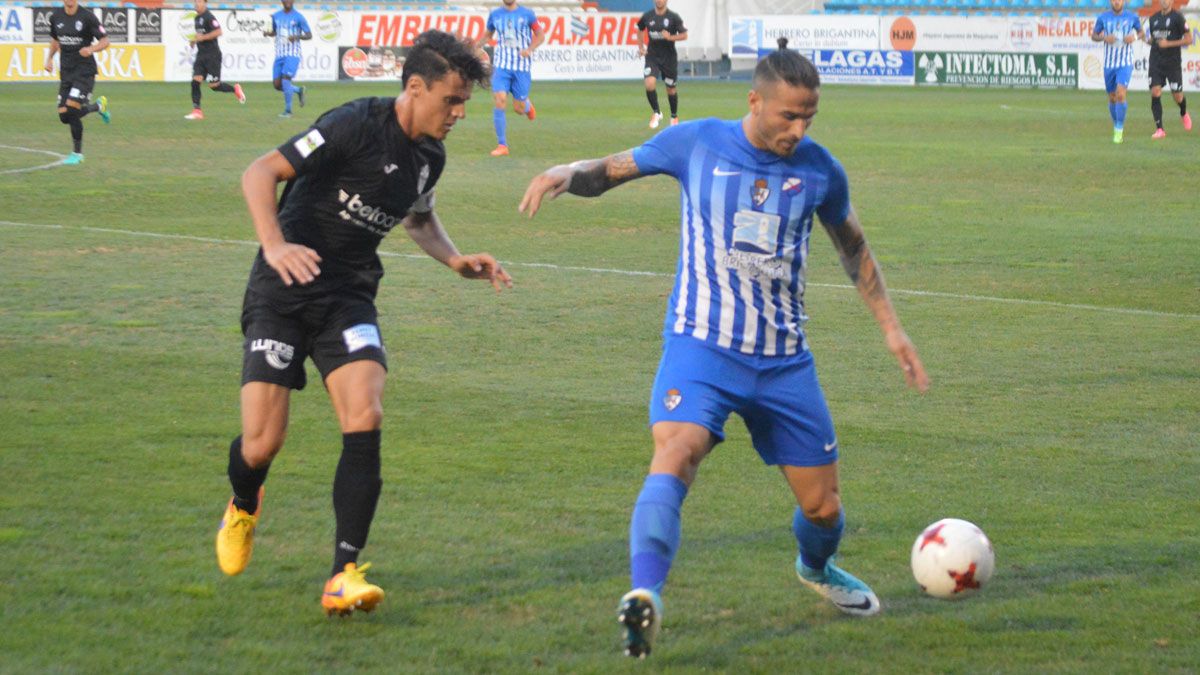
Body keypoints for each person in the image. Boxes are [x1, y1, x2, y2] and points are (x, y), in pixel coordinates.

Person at [520, 37, 929, 658]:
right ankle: (645, 596)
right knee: (676, 452)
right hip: (702, 348)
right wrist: (564, 172)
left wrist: (891, 327)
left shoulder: (820, 169)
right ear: (755, 100)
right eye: (789, 115)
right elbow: (613, 170)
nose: (799, 128)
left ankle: (816, 569)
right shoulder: (699, 142)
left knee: (824, 509)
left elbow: (853, 248)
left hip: (784, 361)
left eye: (809, 117)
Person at [214, 29, 511, 617]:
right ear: (414, 87)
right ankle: (244, 502)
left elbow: (418, 219)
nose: (457, 114)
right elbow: (259, 172)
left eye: (464, 105)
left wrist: (454, 259)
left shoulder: (430, 157)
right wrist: (274, 246)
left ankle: (341, 575)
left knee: (365, 412)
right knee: (262, 442)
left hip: (348, 298)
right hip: (284, 291)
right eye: (450, 101)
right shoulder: (354, 123)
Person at [42, 0, 111, 165]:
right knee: (64, 116)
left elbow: (105, 41)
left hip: (84, 72)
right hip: (66, 72)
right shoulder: (56, 17)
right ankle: (98, 107)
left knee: (72, 110)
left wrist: (91, 49)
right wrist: (49, 58)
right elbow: (55, 40)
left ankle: (77, 154)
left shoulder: (87, 17)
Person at [475, 0, 544, 156]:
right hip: (501, 66)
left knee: (518, 108)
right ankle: (502, 145)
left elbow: (540, 35)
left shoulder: (527, 14)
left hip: (522, 67)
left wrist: (530, 49)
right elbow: (488, 34)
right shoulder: (495, 14)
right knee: (499, 99)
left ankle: (526, 106)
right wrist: (476, 46)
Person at [1091, 0, 1144, 144]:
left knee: (1121, 94)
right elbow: (1094, 36)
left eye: (1119, 0)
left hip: (1125, 63)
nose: (1116, 2)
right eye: (1114, 0)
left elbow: (1141, 32)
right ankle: (1116, 123)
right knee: (1112, 97)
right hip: (1109, 64)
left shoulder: (1132, 17)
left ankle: (1119, 130)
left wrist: (1133, 37)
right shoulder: (1103, 17)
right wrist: (1103, 37)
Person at [185, 0, 246, 120]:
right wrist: (194, 40)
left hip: (213, 56)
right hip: (201, 55)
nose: (196, 4)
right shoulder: (197, 18)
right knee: (195, 82)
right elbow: (199, 35)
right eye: (195, 1)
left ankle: (235, 89)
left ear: (205, 3)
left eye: (199, 1)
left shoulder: (209, 17)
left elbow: (219, 31)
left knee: (214, 86)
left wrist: (203, 38)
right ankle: (197, 111)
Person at [1145, 0, 1192, 139]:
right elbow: (1154, 40)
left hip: (1172, 63)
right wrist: (1144, 39)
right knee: (1155, 91)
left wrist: (1169, 44)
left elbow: (1189, 39)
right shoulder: (1153, 19)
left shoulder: (1178, 18)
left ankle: (1183, 112)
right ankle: (1160, 129)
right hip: (1156, 62)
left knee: (1177, 95)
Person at [637, 0, 687, 129]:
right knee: (649, 83)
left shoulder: (673, 17)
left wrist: (670, 37)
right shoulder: (647, 16)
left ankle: (674, 116)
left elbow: (684, 35)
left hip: (669, 58)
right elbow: (640, 29)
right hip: (652, 56)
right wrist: (641, 46)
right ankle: (656, 112)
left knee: (670, 89)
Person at [263, 0, 311, 118]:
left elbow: (309, 35)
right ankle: (298, 90)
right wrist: (268, 33)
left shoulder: (299, 17)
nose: (288, 1)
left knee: (286, 79)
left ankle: (288, 111)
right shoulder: (276, 16)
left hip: (293, 53)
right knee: (277, 85)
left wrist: (297, 36)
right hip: (279, 54)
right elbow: (275, 32)